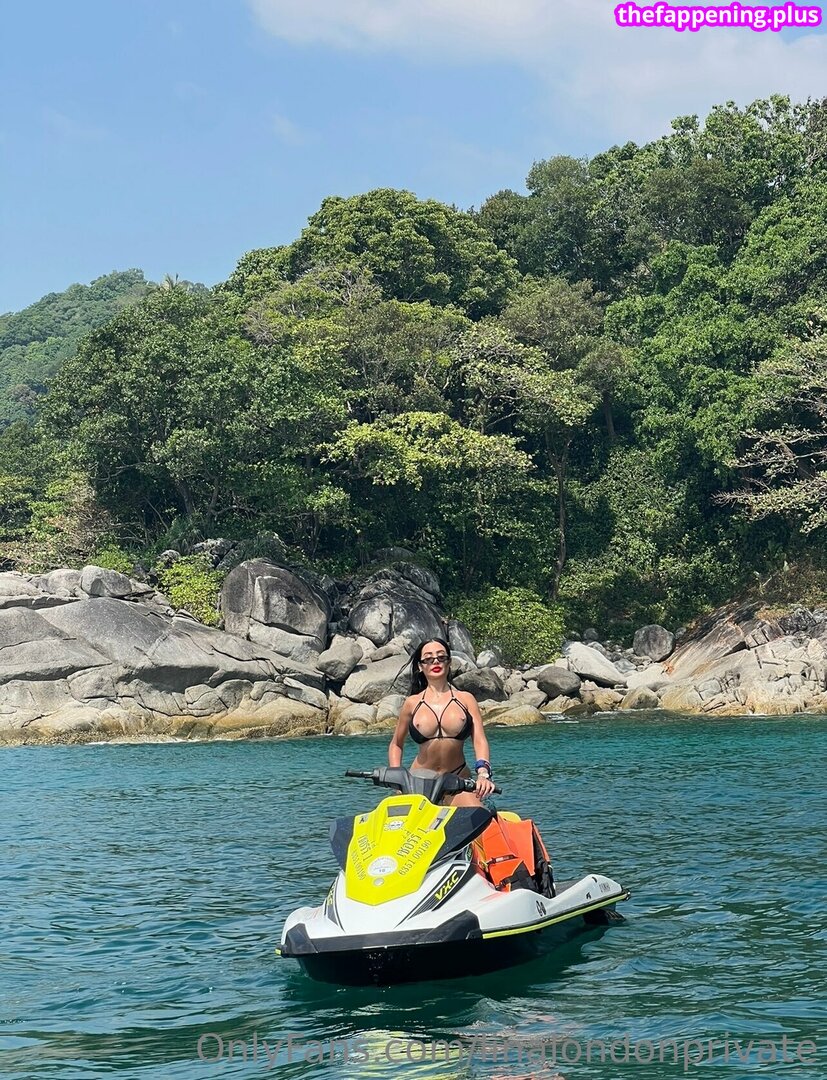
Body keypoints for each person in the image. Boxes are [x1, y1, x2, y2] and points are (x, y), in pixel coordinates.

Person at [389, 637, 495, 806]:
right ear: (420, 666)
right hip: (418, 781)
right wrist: (396, 777)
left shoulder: (466, 699)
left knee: (479, 815)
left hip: (457, 780)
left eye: (441, 657)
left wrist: (483, 774)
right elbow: (396, 744)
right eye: (428, 659)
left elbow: (479, 740)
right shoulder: (412, 703)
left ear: (449, 662)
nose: (435, 662)